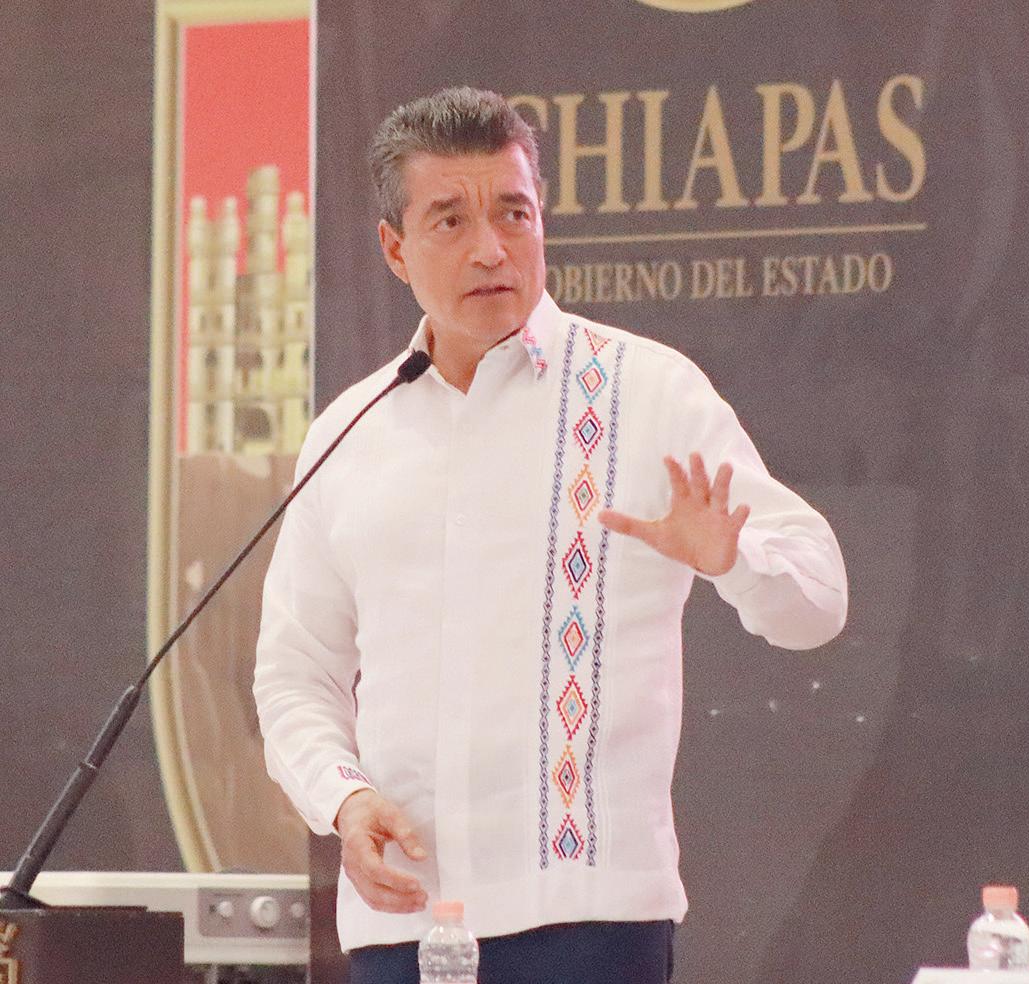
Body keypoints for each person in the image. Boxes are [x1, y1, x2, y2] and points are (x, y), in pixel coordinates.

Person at [254, 86, 847, 984]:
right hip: (400, 922)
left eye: (514, 213)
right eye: (450, 220)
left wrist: (736, 563)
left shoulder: (647, 392)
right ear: (394, 248)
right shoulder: (350, 430)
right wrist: (342, 800)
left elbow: (820, 600)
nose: (491, 248)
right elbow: (296, 673)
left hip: (590, 921)